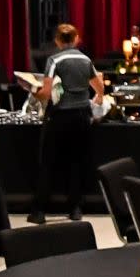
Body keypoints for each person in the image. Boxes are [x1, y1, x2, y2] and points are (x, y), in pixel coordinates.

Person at [30, 23, 104, 223]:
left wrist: (30, 89)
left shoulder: (54, 60)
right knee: (76, 162)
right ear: (77, 38)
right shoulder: (86, 60)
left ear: (57, 40)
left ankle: (39, 211)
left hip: (60, 115)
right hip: (81, 116)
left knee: (48, 161)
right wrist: (95, 100)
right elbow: (99, 87)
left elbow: (45, 93)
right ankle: (75, 209)